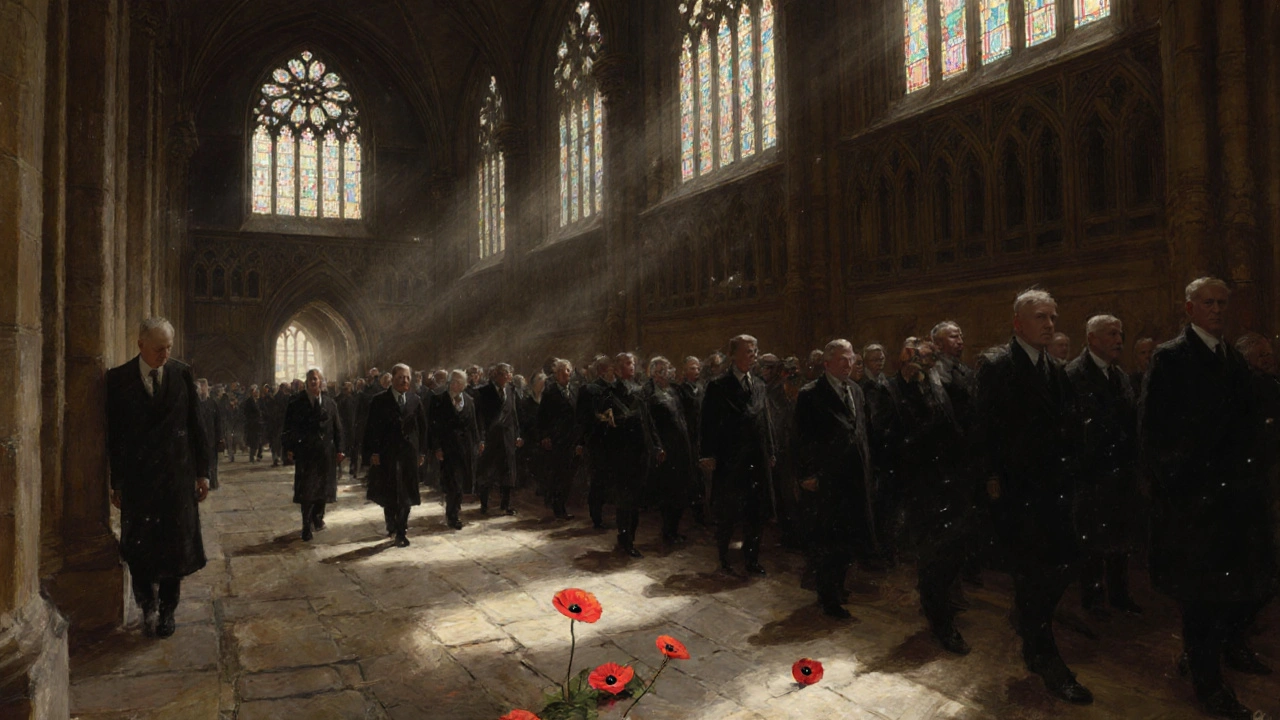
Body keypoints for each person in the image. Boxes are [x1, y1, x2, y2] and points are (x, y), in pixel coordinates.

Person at [1140, 277, 1276, 719]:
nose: (1217, 310)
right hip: (1195, 503)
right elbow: (1154, 435)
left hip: (1234, 500)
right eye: (1209, 303)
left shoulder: (1231, 357)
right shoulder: (1171, 357)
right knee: (1202, 599)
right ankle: (1207, 683)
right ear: (1189, 309)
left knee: (1236, 590)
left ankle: (1218, 656)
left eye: (1222, 303)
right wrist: (1183, 490)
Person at [974, 288, 1092, 704]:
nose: (1050, 324)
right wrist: (991, 481)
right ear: (1018, 323)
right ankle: (1045, 659)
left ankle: (1031, 626)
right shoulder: (997, 365)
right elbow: (984, 431)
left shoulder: (1054, 368)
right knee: (1034, 574)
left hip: (1056, 489)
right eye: (1040, 317)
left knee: (1061, 566)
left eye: (1053, 317)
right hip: (1019, 493)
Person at [106, 318, 210, 639]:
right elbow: (114, 437)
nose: (164, 354)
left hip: (176, 479)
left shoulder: (181, 374)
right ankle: (146, 606)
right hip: (139, 482)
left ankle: (167, 611)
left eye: (168, 348)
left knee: (174, 549)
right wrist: (117, 482)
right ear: (140, 345)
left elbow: (197, 427)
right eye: (158, 348)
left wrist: (203, 473)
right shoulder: (118, 380)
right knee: (139, 550)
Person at [889, 340, 974, 653]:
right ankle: (941, 622)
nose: (927, 361)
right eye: (920, 356)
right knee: (933, 555)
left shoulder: (941, 381)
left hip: (952, 481)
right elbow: (903, 436)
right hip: (924, 485)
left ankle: (944, 606)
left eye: (930, 356)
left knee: (953, 549)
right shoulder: (901, 389)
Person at [1065, 315, 1144, 619]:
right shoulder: (1073, 375)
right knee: (1092, 541)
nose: (1119, 340)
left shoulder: (1120, 375)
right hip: (1091, 473)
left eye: (1120, 334)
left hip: (1120, 472)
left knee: (1120, 538)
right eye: (1111, 334)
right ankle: (1094, 598)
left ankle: (1121, 595)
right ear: (1092, 339)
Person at [794, 340, 876, 619]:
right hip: (826, 480)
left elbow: (861, 432)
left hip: (854, 478)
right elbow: (800, 439)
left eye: (851, 358)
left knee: (849, 537)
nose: (848, 363)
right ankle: (827, 596)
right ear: (827, 363)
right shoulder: (810, 394)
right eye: (842, 359)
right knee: (828, 540)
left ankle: (839, 586)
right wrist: (806, 474)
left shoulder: (855, 390)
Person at [700, 334, 776, 576]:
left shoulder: (760, 385)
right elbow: (707, 423)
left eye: (755, 351)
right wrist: (707, 454)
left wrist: (771, 450)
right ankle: (724, 558)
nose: (753, 356)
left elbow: (766, 421)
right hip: (730, 459)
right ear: (732, 355)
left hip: (756, 458)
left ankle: (751, 559)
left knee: (756, 511)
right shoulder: (717, 385)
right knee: (728, 513)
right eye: (747, 351)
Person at [601, 352, 664, 557]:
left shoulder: (639, 391)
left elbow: (649, 422)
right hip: (621, 454)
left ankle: (629, 538)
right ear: (618, 369)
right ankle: (625, 539)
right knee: (624, 500)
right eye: (628, 364)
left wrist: (657, 445)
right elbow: (605, 426)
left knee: (635, 500)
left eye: (633, 363)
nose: (632, 367)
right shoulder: (609, 393)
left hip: (640, 452)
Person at [364, 364, 429, 546]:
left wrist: (422, 451)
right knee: (390, 492)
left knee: (407, 493)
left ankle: (402, 530)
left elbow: (423, 429)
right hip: (387, 454)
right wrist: (373, 452)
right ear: (392, 379)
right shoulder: (379, 400)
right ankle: (391, 522)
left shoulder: (415, 400)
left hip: (409, 454)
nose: (405, 381)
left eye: (407, 377)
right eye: (401, 377)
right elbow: (371, 429)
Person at [282, 368, 344, 541]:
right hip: (306, 452)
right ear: (306, 382)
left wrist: (340, 449)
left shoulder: (330, 403)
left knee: (323, 488)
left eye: (316, 379)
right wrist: (289, 448)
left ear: (321, 382)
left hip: (325, 453)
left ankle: (318, 518)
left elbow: (337, 427)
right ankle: (305, 524)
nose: (314, 382)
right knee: (307, 491)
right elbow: (288, 428)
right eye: (311, 379)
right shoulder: (296, 403)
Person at [645, 357, 694, 545]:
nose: (667, 373)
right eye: (663, 370)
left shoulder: (674, 391)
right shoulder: (650, 396)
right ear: (654, 374)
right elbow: (651, 427)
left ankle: (674, 530)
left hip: (682, 448)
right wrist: (658, 446)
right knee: (669, 492)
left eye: (668, 369)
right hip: (667, 450)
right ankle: (668, 531)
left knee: (681, 490)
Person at [431, 369, 484, 529]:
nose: (456, 384)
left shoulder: (468, 400)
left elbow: (474, 424)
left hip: (465, 447)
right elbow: (434, 427)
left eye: (459, 382)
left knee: (461, 482)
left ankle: (455, 510)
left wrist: (479, 441)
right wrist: (437, 447)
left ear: (465, 384)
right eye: (453, 381)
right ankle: (452, 515)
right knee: (452, 482)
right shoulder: (439, 399)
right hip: (448, 448)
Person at [476, 363, 524, 515]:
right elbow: (480, 418)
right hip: (491, 438)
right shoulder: (483, 392)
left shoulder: (511, 390)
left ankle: (506, 505)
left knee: (508, 472)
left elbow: (514, 414)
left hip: (508, 437)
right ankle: (484, 505)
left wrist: (517, 435)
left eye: (508, 374)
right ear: (495, 375)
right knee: (487, 472)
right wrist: (481, 439)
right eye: (503, 374)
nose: (506, 376)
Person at [578, 355, 617, 529]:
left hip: (613, 441)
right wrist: (607, 418)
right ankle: (596, 516)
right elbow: (584, 418)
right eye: (611, 370)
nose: (614, 373)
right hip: (597, 440)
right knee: (597, 479)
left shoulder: (615, 388)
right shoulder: (589, 389)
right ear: (603, 371)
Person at [539, 359, 581, 520]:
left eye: (567, 371)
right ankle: (558, 507)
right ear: (555, 375)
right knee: (558, 474)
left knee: (569, 474)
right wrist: (545, 436)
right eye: (561, 372)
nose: (565, 374)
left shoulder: (576, 390)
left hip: (573, 439)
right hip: (557, 439)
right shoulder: (550, 392)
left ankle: (562, 504)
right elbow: (542, 417)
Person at [676, 356, 708, 525]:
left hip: (701, 436)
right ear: (685, 371)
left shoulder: (701, 388)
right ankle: (694, 514)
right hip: (688, 437)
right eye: (692, 368)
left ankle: (701, 513)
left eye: (697, 368)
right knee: (691, 476)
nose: (696, 371)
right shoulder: (681, 391)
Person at [196, 379, 224, 490]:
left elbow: (218, 422)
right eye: (200, 387)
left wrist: (220, 437)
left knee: (212, 462)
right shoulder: (196, 403)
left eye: (203, 387)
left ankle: (213, 482)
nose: (202, 390)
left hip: (211, 438)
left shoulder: (212, 403)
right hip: (200, 439)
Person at [242, 385, 264, 463]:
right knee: (253, 441)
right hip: (252, 425)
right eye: (255, 391)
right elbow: (246, 413)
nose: (257, 393)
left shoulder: (259, 401)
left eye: (257, 391)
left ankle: (258, 455)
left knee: (259, 441)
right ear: (252, 392)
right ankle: (252, 457)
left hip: (259, 424)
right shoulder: (248, 401)